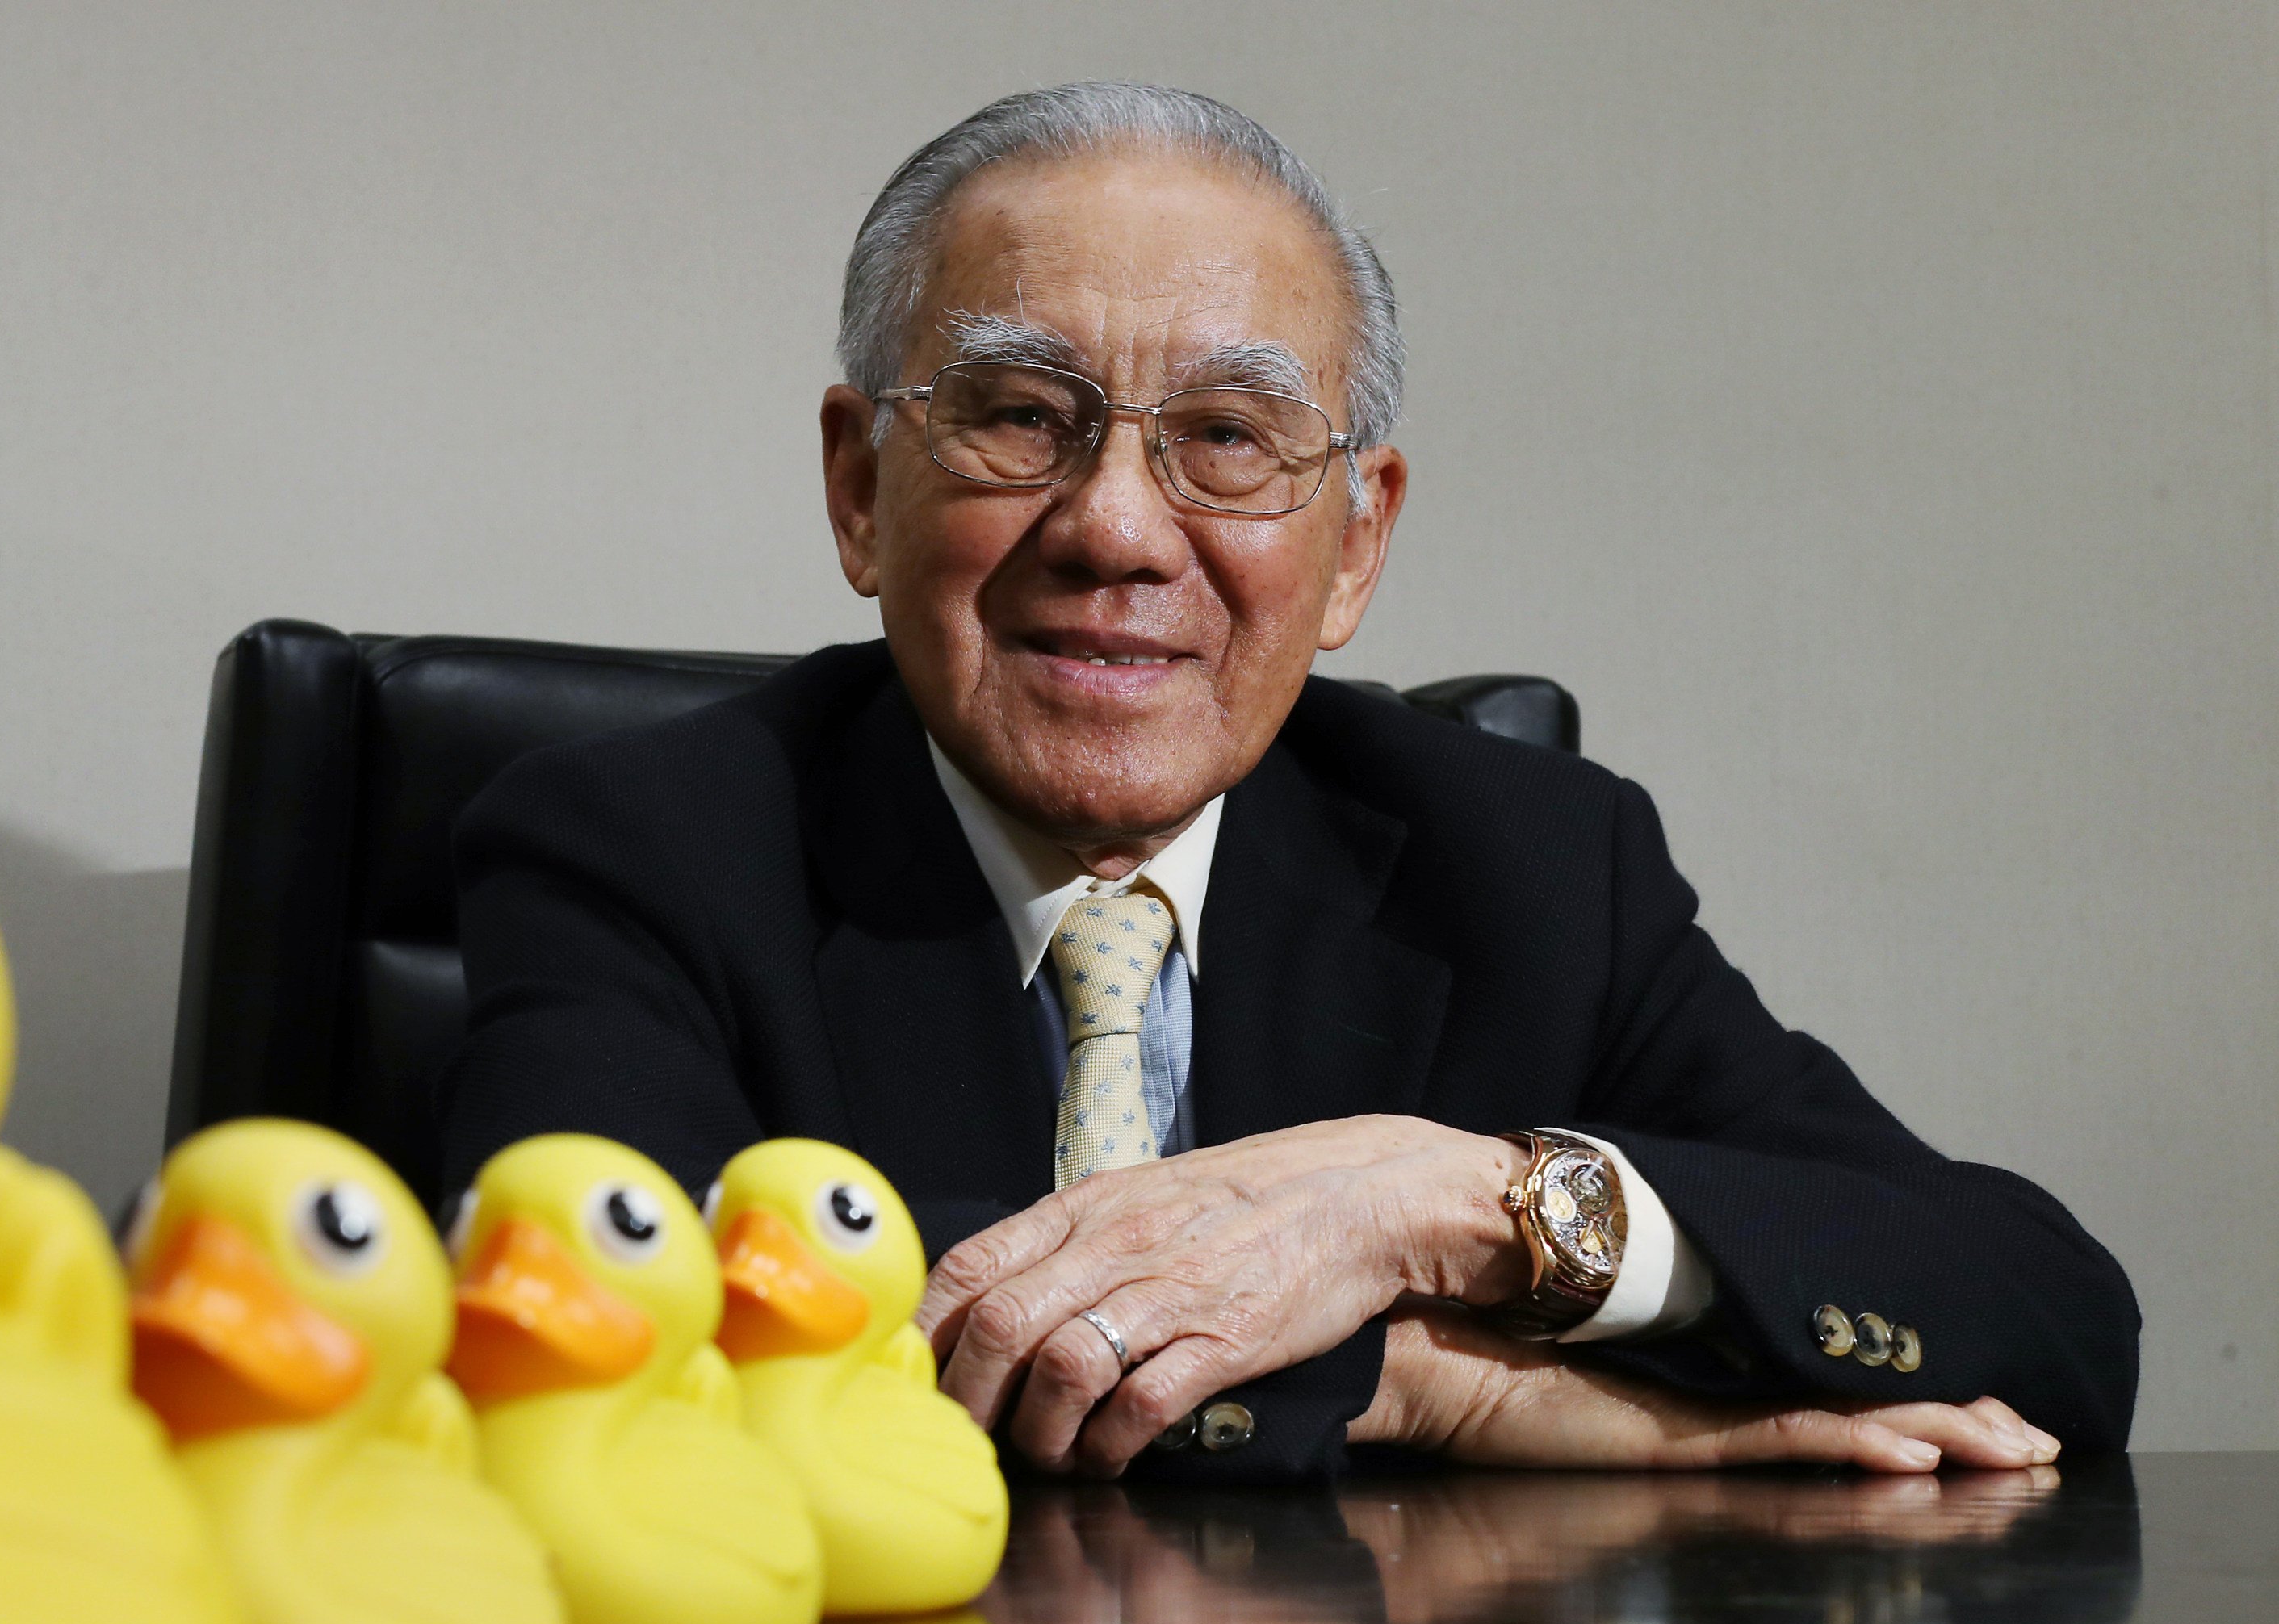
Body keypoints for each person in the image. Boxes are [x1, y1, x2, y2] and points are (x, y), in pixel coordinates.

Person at [439, 82, 2139, 1482]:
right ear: (855, 487)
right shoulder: (633, 846)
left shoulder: (1535, 864)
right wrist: (1433, 1382)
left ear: (1354, 546)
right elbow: (585, 1330)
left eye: (1229, 439)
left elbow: (2046, 1312)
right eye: (1020, 416)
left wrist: (1446, 1202)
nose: (1112, 528)